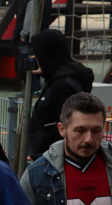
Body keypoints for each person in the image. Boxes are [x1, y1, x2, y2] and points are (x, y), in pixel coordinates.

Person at [27, 29, 94, 160]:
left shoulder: (63, 86)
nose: (36, 59)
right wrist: (47, 72)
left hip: (55, 158)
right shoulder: (60, 78)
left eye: (38, 55)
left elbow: (65, 125)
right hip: (48, 155)